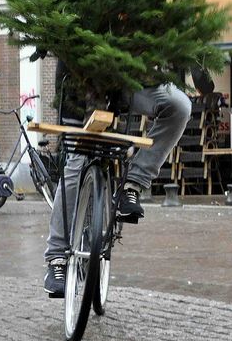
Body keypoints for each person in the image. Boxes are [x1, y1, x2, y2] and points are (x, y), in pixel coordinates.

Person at [44, 61, 192, 297]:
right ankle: (57, 257)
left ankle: (132, 184)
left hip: (128, 81)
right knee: (76, 161)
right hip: (80, 84)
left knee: (180, 106)